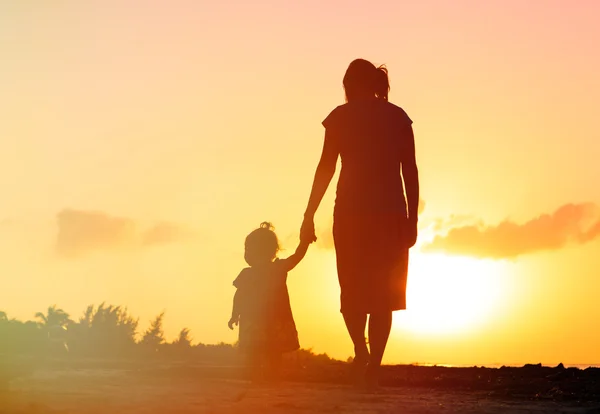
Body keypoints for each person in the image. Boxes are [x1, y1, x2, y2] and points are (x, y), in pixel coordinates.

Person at [300, 58, 420, 387]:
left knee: (352, 290)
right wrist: (412, 219)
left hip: (352, 214)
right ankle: (373, 365)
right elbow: (409, 169)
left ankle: (362, 353)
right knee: (384, 296)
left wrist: (309, 214)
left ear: (351, 85)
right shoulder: (396, 117)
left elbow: (325, 168)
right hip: (390, 214)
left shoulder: (342, 117)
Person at [229, 222, 310, 382]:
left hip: (266, 322)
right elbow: (238, 296)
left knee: (269, 351)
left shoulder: (276, 269)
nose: (246, 253)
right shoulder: (251, 273)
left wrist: (305, 241)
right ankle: (262, 376)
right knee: (263, 352)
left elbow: (297, 257)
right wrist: (234, 314)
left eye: (249, 249)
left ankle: (267, 376)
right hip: (262, 322)